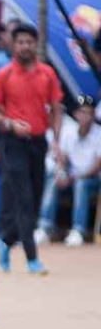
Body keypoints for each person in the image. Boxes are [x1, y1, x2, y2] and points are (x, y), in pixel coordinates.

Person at [0, 23, 62, 274]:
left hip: (38, 142)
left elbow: (56, 108)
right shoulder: (4, 74)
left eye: (29, 42)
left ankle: (5, 240)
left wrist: (56, 141)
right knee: (25, 197)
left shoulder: (47, 74)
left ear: (35, 44)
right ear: (13, 44)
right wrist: (10, 123)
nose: (25, 46)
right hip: (12, 142)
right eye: (20, 42)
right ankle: (32, 257)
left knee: (36, 197)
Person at [38, 96, 101, 247]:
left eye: (88, 113)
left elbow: (97, 166)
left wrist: (75, 177)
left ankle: (78, 230)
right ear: (76, 114)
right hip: (72, 176)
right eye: (82, 112)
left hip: (92, 179)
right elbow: (62, 158)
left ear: (93, 115)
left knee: (81, 184)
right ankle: (44, 228)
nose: (85, 116)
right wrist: (61, 172)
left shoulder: (99, 133)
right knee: (53, 178)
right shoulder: (69, 131)